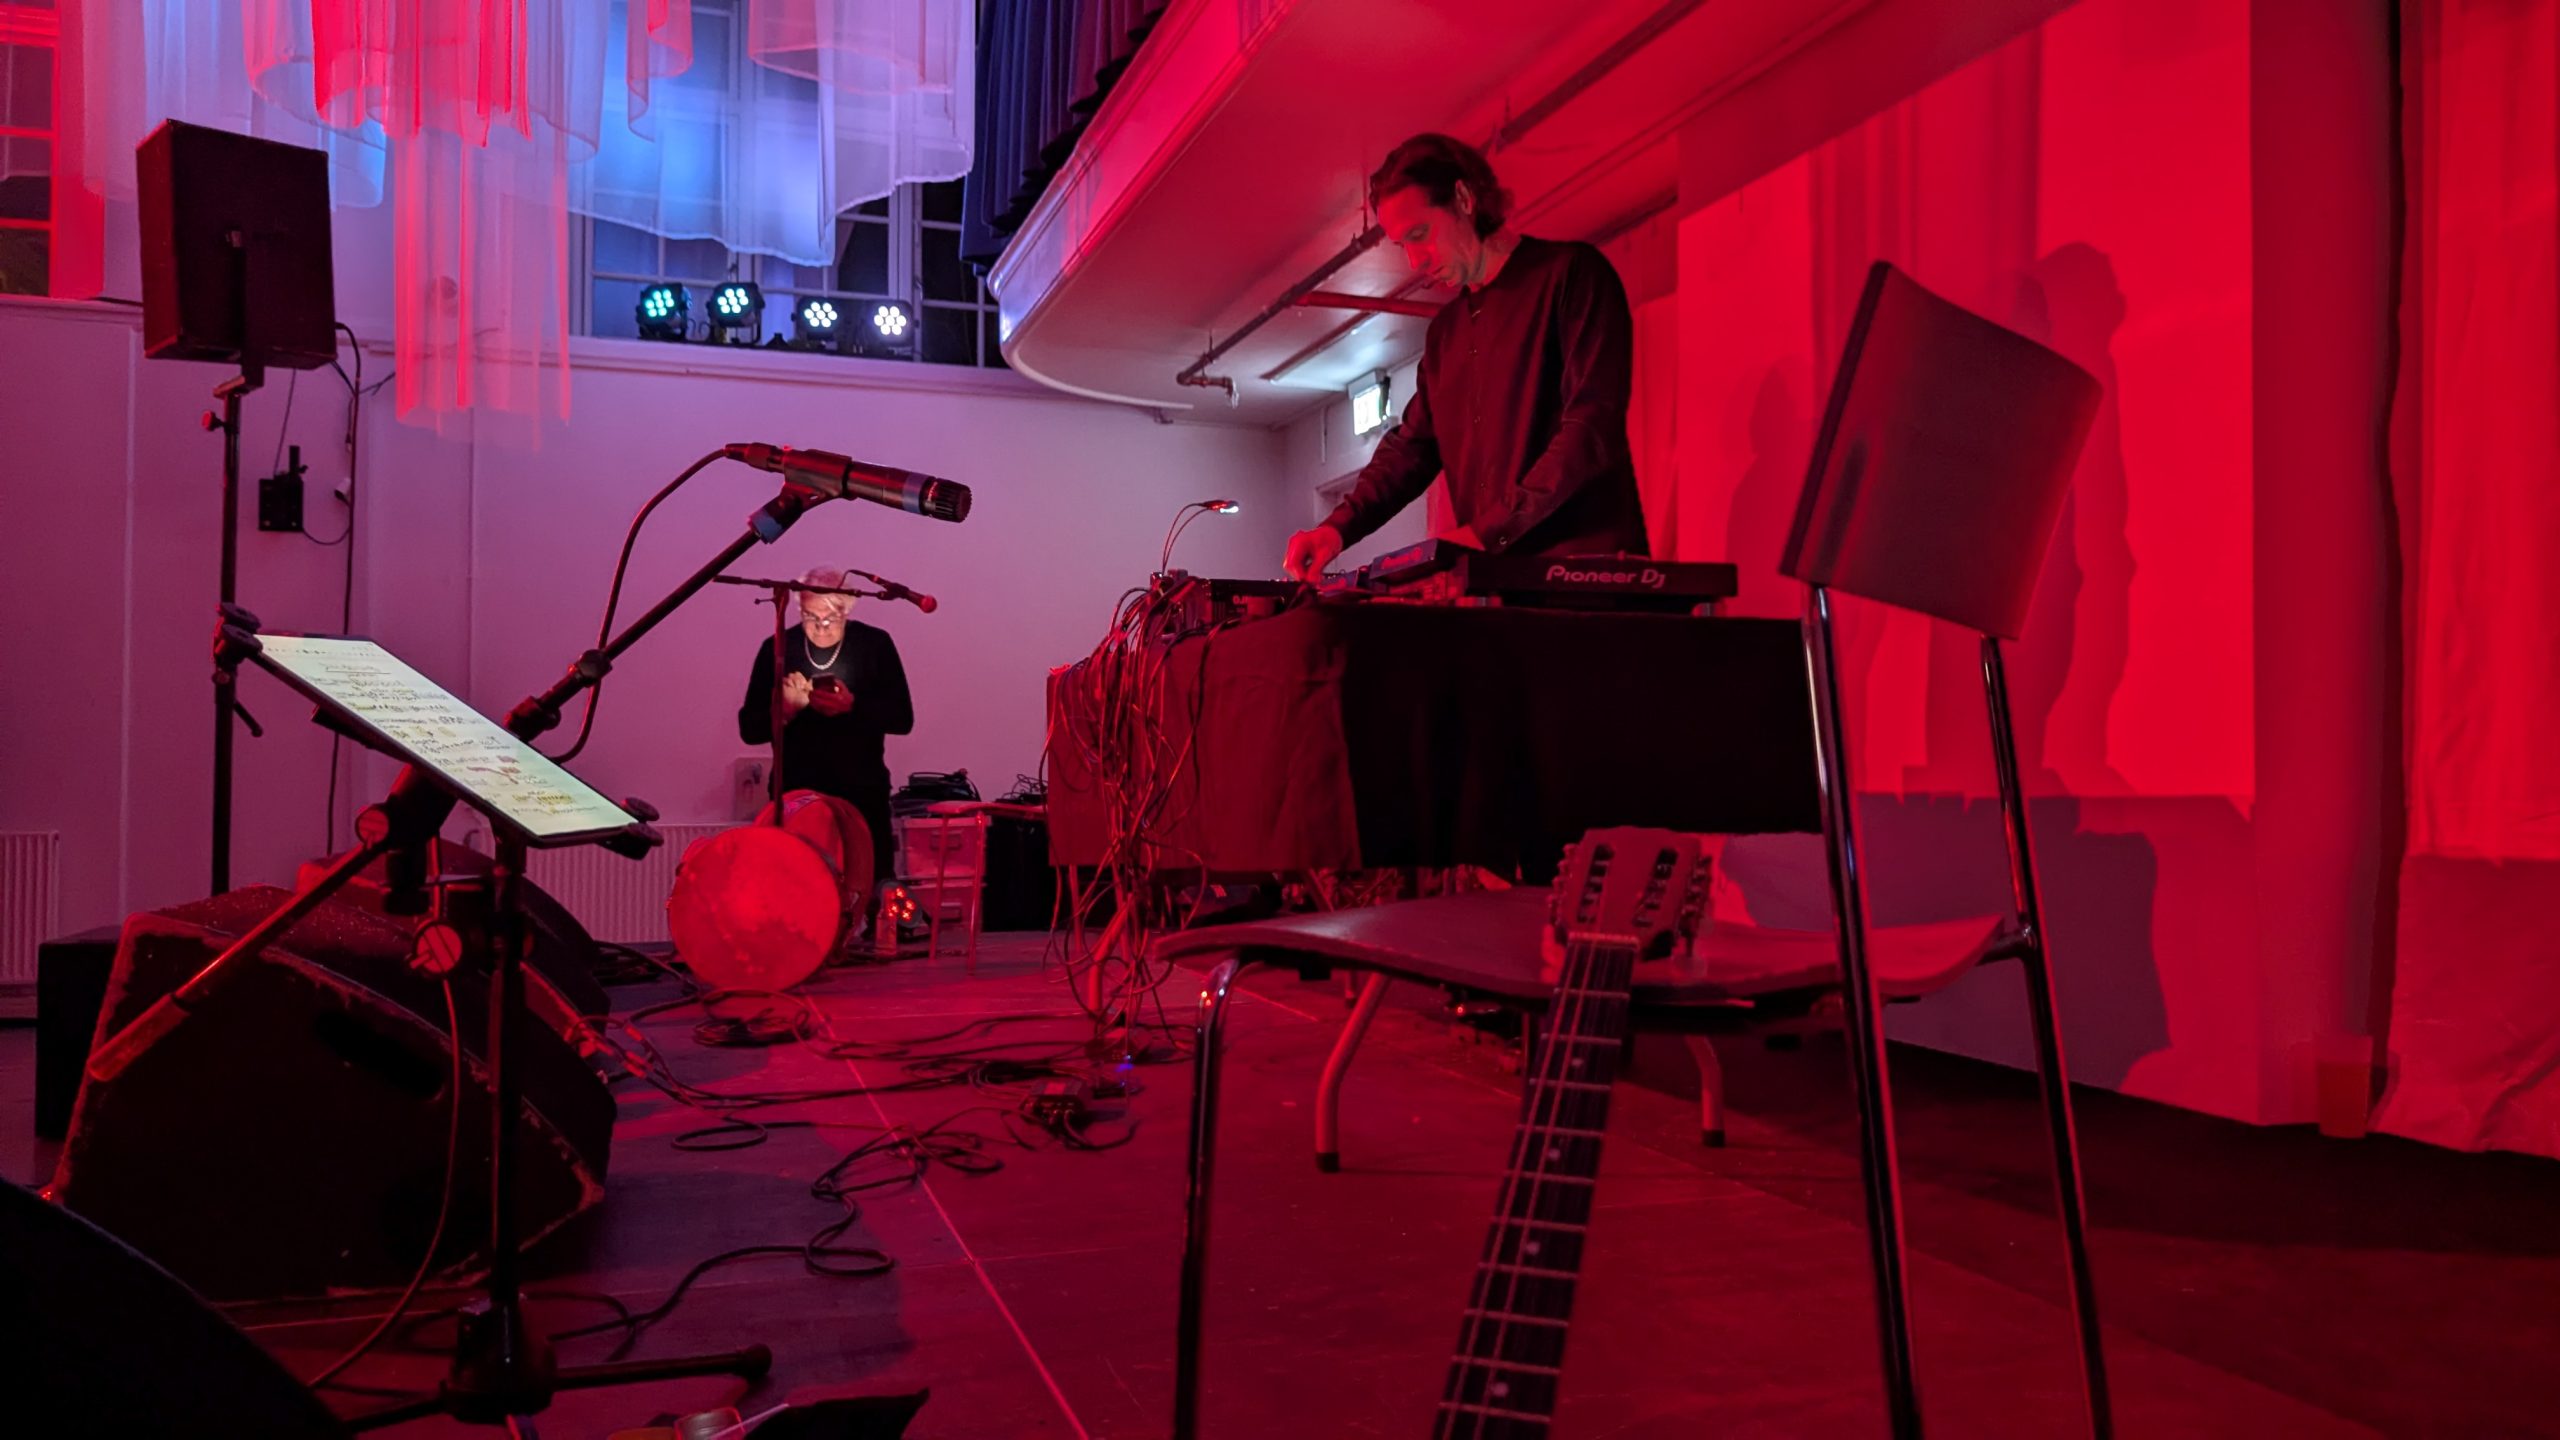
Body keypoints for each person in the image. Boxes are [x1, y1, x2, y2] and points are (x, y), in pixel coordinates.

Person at [1283, 133, 1648, 581]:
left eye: (1420, 235)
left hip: (1585, 579)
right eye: (1402, 245)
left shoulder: (1571, 276)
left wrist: (1488, 532)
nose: (1415, 261)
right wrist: (1336, 530)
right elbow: (1411, 450)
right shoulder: (1446, 336)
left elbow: (1589, 429)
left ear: (1463, 198)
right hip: (1501, 585)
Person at [738, 570, 914, 942]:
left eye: (830, 617)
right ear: (798, 608)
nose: (820, 626)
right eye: (810, 616)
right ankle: (795, 948)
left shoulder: (874, 644)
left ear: (848, 608)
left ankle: (878, 948)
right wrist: (785, 711)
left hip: (862, 790)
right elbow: (749, 729)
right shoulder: (778, 648)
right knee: (793, 884)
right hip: (796, 792)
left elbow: (902, 718)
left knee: (874, 884)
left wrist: (853, 706)